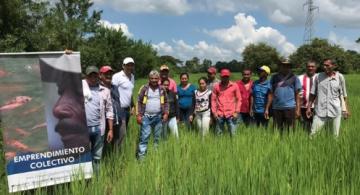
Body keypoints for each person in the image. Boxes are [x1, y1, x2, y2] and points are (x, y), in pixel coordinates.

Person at [306, 59, 350, 137]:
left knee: (334, 136)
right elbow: (312, 94)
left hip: (335, 112)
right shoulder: (318, 77)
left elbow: (344, 95)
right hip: (320, 112)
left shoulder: (340, 77)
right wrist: (309, 107)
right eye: (324, 65)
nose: (324, 67)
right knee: (313, 136)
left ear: (333, 66)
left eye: (327, 65)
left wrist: (346, 109)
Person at [82, 66, 114, 174]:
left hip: (99, 129)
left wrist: (110, 129)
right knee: (83, 157)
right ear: (86, 76)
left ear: (98, 76)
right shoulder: (80, 86)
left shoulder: (105, 90)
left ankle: (96, 179)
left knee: (97, 156)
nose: (93, 77)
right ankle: (85, 179)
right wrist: (67, 56)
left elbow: (109, 110)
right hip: (83, 129)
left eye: (95, 75)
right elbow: (66, 77)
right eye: (90, 75)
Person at [136, 70, 169, 159]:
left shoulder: (162, 89)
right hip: (146, 117)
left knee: (157, 138)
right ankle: (141, 159)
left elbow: (166, 102)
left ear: (159, 79)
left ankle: (155, 157)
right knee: (144, 138)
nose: (154, 80)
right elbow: (139, 101)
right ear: (149, 79)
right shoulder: (144, 88)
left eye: (156, 78)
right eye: (152, 78)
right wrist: (138, 115)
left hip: (158, 117)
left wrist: (166, 113)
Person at [265, 59, 301, 133]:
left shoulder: (294, 78)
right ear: (280, 66)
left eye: (287, 65)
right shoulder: (274, 78)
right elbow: (270, 94)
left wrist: (298, 109)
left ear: (290, 67)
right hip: (276, 108)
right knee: (277, 131)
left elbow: (297, 95)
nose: (285, 67)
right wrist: (267, 108)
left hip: (290, 108)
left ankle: (290, 144)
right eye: (283, 65)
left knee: (290, 131)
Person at [99, 66, 127, 149]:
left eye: (110, 74)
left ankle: (118, 159)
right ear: (100, 75)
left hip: (119, 119)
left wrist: (123, 117)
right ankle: (105, 160)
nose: (109, 75)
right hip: (105, 121)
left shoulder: (115, 87)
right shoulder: (97, 88)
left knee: (119, 144)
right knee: (104, 145)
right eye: (106, 74)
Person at [112, 57, 135, 145]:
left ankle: (118, 152)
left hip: (127, 109)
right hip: (118, 109)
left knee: (122, 133)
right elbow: (112, 92)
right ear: (123, 66)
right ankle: (116, 154)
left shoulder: (132, 77)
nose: (130, 67)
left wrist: (132, 105)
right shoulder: (117, 76)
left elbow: (130, 93)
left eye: (131, 65)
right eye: (127, 65)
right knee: (120, 133)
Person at [211, 69, 241, 136]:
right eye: (223, 77)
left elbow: (239, 99)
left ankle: (234, 146)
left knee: (233, 134)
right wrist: (214, 112)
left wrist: (236, 112)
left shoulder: (234, 86)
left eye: (226, 76)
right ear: (220, 76)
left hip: (231, 114)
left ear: (229, 76)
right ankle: (219, 146)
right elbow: (213, 100)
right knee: (218, 134)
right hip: (219, 113)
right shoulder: (216, 87)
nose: (225, 78)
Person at [298, 61, 317, 132]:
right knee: (305, 127)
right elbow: (298, 94)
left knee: (316, 128)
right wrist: (298, 108)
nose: (310, 68)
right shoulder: (300, 78)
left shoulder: (319, 77)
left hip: (317, 107)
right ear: (306, 67)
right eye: (308, 66)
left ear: (316, 68)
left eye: (312, 66)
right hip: (303, 107)